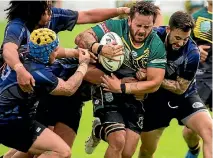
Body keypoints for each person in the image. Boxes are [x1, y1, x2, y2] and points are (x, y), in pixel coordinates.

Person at [1, 1, 130, 157]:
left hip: (35, 106)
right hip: (17, 113)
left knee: (41, 148)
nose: (51, 11)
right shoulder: (19, 32)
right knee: (57, 151)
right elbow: (8, 49)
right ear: (35, 11)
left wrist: (120, 11)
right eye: (46, 9)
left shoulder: (32, 50)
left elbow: (86, 16)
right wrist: (19, 69)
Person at [75, 1, 166, 157]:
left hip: (130, 92)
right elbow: (81, 37)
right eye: (138, 25)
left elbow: (155, 83)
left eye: (147, 27)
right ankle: (104, 128)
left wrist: (123, 87)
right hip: (106, 86)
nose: (142, 31)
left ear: (153, 25)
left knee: (127, 153)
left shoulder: (156, 43)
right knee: (118, 141)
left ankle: (98, 130)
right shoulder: (115, 27)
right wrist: (99, 48)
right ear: (129, 20)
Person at [0, 28, 91, 158]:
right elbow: (69, 88)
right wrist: (83, 65)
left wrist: (77, 52)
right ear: (47, 53)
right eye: (54, 50)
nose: (57, 52)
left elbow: (57, 52)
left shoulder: (24, 51)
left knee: (29, 151)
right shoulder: (39, 73)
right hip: (11, 122)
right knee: (62, 152)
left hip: (16, 117)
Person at [136, 11, 212, 158]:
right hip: (155, 99)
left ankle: (194, 151)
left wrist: (152, 77)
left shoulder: (192, 52)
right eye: (177, 38)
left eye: (185, 39)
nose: (181, 43)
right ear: (168, 29)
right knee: (146, 151)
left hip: (185, 97)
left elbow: (180, 88)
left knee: (209, 132)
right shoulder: (152, 37)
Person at [182, 1, 212, 157]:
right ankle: (194, 149)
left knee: (210, 133)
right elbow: (180, 46)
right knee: (189, 131)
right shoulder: (196, 18)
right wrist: (196, 50)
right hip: (201, 77)